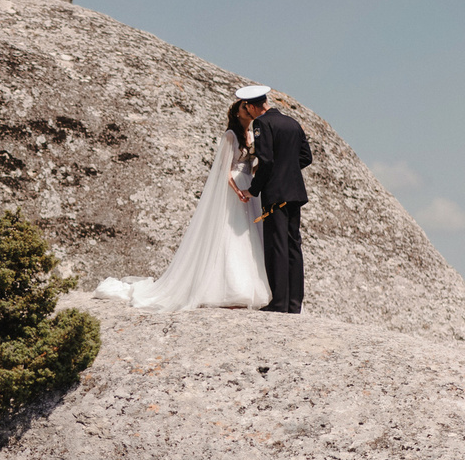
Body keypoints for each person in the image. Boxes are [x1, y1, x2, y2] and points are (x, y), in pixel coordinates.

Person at [93, 94, 271, 312]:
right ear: (237, 112)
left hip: (249, 187)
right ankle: (226, 288)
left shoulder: (252, 135)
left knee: (248, 235)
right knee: (229, 234)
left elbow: (252, 163)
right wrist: (237, 191)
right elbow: (223, 171)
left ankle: (247, 287)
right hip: (233, 189)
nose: (246, 109)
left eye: (247, 106)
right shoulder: (230, 136)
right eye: (243, 106)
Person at [237, 85, 310, 314]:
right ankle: (294, 303)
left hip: (276, 193)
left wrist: (253, 189)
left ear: (250, 106)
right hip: (295, 193)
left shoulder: (262, 123)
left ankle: (278, 302)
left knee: (277, 246)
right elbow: (306, 157)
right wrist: (287, 169)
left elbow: (266, 161)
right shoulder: (292, 123)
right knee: (293, 246)